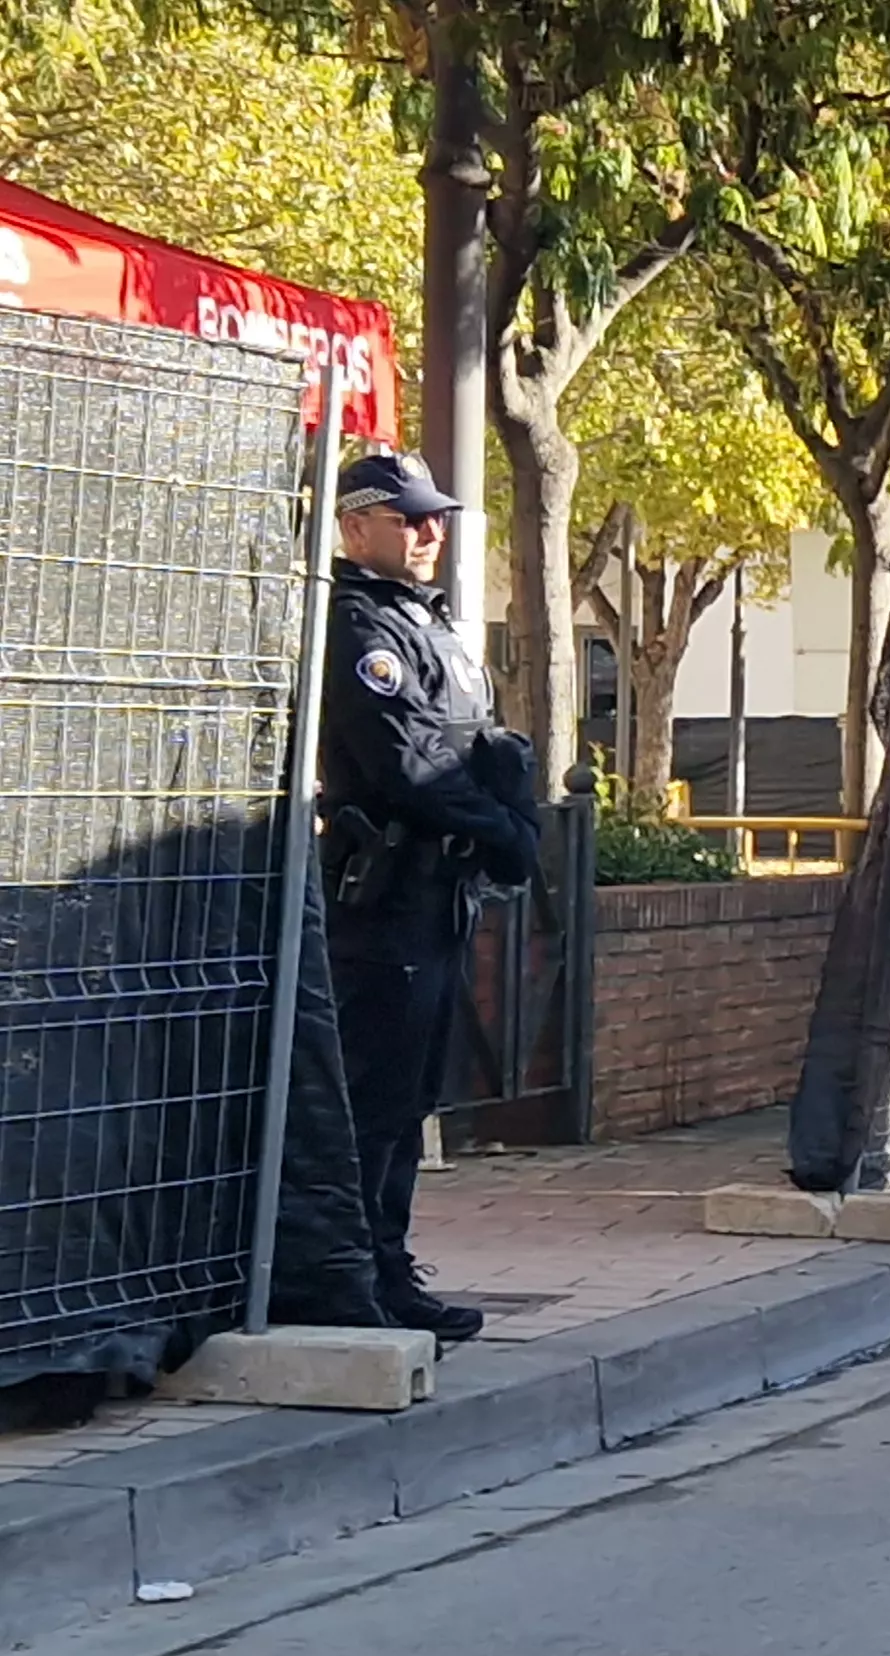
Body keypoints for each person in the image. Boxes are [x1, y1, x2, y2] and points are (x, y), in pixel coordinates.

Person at [315, 451, 536, 1344]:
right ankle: (359, 1279)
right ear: (356, 524)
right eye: (409, 518)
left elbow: (471, 743)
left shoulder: (426, 623)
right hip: (388, 897)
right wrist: (500, 826)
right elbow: (406, 762)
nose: (429, 531)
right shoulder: (359, 625)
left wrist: (500, 813)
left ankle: (386, 1264)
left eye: (434, 516)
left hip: (438, 894)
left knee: (409, 1103)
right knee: (375, 1101)